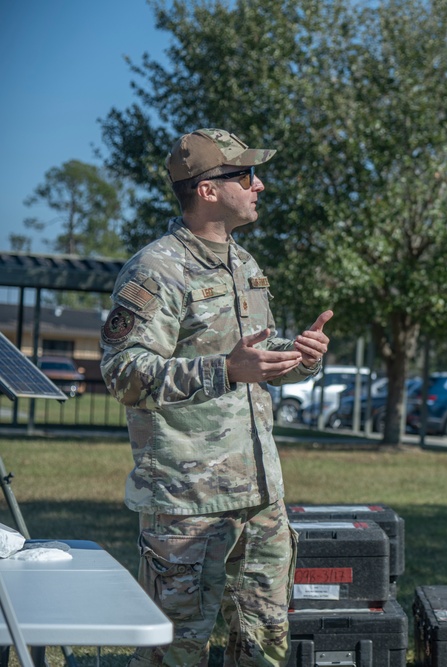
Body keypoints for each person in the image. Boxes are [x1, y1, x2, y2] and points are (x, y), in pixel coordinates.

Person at [101, 127, 333, 666]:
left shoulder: (246, 265)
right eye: (246, 175)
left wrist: (300, 356)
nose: (261, 185)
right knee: (176, 649)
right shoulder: (156, 269)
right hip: (188, 503)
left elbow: (256, 360)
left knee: (264, 642)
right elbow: (123, 373)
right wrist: (226, 369)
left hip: (259, 495)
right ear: (207, 189)